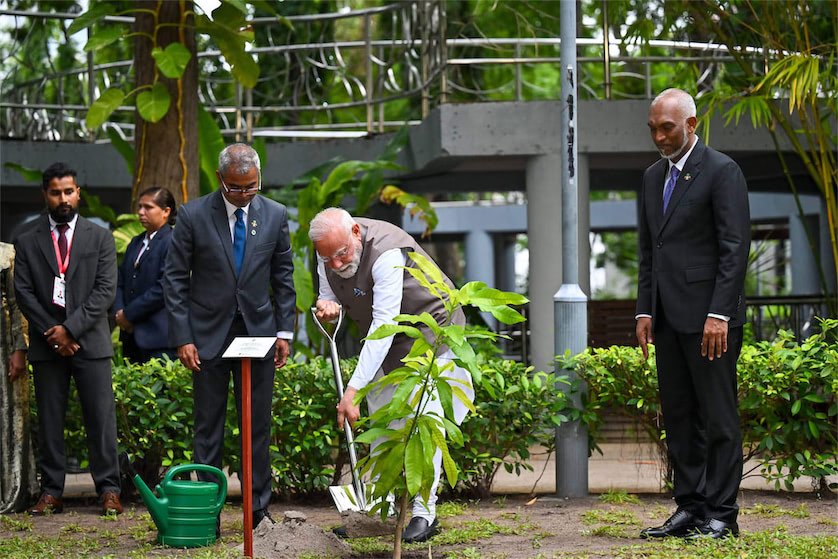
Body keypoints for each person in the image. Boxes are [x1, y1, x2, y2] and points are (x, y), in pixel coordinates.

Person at [310, 207, 474, 544]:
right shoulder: (327, 252)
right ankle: (378, 511)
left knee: (422, 421)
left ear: (356, 232)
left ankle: (424, 513)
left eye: (342, 254)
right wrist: (327, 304)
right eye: (329, 259)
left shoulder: (387, 253)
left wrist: (352, 390)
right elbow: (328, 292)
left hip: (429, 330)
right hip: (380, 334)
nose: (337, 264)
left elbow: (385, 327)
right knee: (382, 420)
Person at [636, 89, 750, 540]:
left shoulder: (722, 171)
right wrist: (645, 310)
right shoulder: (650, 178)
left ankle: (723, 514)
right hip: (667, 320)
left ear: (692, 124)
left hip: (711, 323)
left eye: (668, 127)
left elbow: (734, 247)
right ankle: (691, 507)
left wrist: (720, 313)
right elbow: (650, 251)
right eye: (653, 128)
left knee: (718, 418)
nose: (660, 137)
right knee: (680, 417)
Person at [164, 143, 295, 530]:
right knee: (208, 429)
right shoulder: (191, 215)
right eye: (236, 188)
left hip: (258, 334)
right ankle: (208, 513)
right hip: (207, 336)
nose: (244, 194)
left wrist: (284, 331)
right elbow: (174, 279)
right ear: (221, 179)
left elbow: (283, 277)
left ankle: (258, 514)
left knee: (257, 426)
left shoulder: (275, 214)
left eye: (251, 186)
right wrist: (182, 336)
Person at [13, 162, 123, 515]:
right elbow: (24, 293)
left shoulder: (100, 236)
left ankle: (108, 489)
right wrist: (54, 333)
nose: (64, 198)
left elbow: (105, 291)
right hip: (48, 345)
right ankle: (51, 491)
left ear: (79, 193)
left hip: (90, 341)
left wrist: (71, 330)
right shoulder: (27, 238)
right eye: (56, 192)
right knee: (49, 418)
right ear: (45, 194)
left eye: (69, 191)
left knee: (101, 419)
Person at [115, 187, 177, 363]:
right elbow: (120, 281)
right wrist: (120, 312)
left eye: (148, 207)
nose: (141, 212)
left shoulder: (172, 241)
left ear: (166, 211)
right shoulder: (135, 242)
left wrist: (129, 313)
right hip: (131, 334)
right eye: (140, 207)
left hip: (158, 337)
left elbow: (164, 287)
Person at [0, 242, 39, 513]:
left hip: (3, 347)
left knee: (7, 415)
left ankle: (12, 487)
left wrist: (19, 349)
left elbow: (18, 305)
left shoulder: (6, 253)